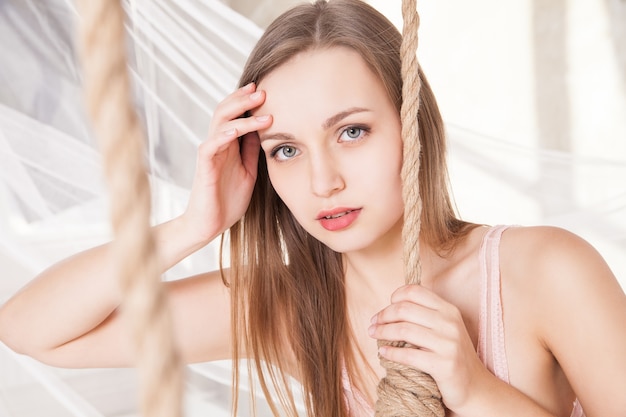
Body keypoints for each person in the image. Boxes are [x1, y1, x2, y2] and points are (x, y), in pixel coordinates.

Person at [1, 0, 625, 416]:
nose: (323, 181)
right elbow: (31, 331)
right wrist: (196, 224)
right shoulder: (289, 309)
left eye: (352, 132)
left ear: (412, 126)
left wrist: (476, 389)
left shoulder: (547, 270)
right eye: (287, 149)